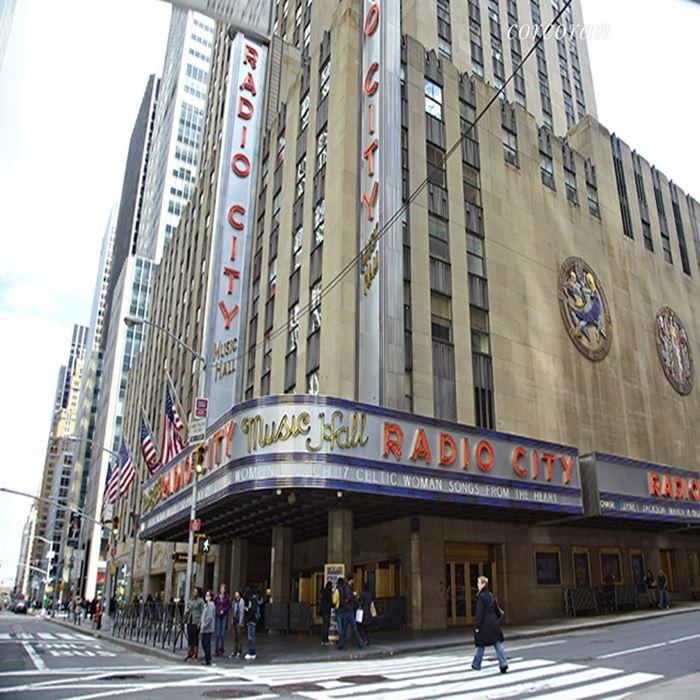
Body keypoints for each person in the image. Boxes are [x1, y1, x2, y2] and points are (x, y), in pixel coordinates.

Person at [471, 575, 508, 674]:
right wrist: (495, 620)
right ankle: (503, 663)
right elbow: (497, 610)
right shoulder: (491, 595)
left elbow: (479, 613)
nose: (477, 585)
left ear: (483, 584)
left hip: (484, 625)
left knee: (480, 644)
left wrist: (476, 625)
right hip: (493, 624)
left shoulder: (481, 597)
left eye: (479, 583)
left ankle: (476, 664)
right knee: (497, 643)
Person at [333, 575, 365, 650]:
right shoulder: (347, 587)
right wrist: (353, 595)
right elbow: (349, 597)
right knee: (353, 628)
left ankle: (341, 644)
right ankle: (360, 643)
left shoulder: (341, 588)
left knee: (344, 628)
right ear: (351, 580)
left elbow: (336, 600)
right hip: (348, 610)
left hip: (343, 610)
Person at [184, 587, 204, 661]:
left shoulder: (201, 601)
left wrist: (200, 622)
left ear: (198, 593)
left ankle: (195, 654)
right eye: (194, 591)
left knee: (195, 638)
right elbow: (188, 608)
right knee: (190, 637)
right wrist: (186, 613)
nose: (194, 593)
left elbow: (202, 612)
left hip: (196, 620)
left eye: (196, 592)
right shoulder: (191, 600)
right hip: (190, 620)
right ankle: (189, 652)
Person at [213, 583, 231, 657]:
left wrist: (224, 610)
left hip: (224, 615)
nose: (222, 590)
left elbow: (229, 605)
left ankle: (221, 649)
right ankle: (216, 649)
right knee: (217, 633)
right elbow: (214, 605)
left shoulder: (227, 597)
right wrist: (217, 611)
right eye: (221, 589)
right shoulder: (217, 597)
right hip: (218, 615)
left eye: (224, 589)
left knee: (222, 633)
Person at [200, 590, 216, 666]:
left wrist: (204, 625)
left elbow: (209, 617)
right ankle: (206, 657)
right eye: (206, 595)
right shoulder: (206, 605)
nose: (206, 597)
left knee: (206, 643)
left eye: (208, 595)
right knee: (204, 642)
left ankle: (208, 659)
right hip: (205, 627)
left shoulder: (211, 605)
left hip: (208, 628)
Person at [243, 586, 258, 660]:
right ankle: (251, 651)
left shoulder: (252, 600)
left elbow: (252, 610)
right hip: (251, 620)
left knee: (251, 637)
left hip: (251, 620)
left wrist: (247, 609)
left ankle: (252, 652)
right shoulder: (252, 599)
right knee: (251, 637)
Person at [228, 589, 245, 658]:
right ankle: (235, 650)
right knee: (235, 636)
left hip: (239, 620)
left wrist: (241, 621)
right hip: (234, 619)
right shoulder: (234, 601)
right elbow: (232, 610)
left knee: (239, 636)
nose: (235, 594)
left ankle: (239, 651)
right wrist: (232, 619)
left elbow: (242, 611)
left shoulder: (242, 601)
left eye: (236, 593)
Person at [319, 580, 333, 646]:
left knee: (324, 625)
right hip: (327, 611)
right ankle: (326, 640)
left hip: (323, 611)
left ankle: (323, 640)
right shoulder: (328, 593)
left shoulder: (323, 592)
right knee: (327, 626)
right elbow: (330, 602)